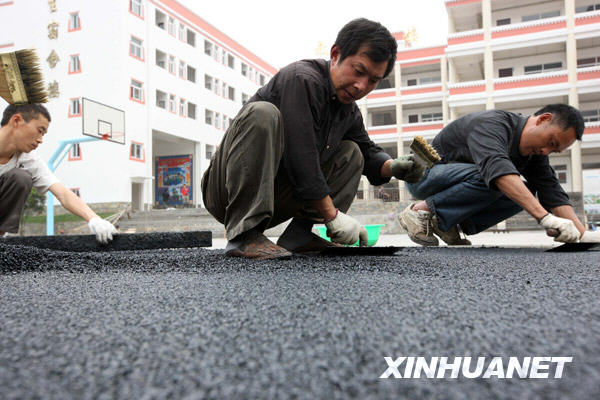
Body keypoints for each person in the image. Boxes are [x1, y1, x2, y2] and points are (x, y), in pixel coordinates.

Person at [202, 18, 424, 259]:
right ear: (336, 54)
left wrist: (393, 167)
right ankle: (243, 235)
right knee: (262, 114)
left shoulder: (348, 109)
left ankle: (300, 235)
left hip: (276, 196)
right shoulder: (302, 79)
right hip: (226, 192)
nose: (361, 86)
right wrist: (333, 216)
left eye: (373, 80)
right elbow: (301, 157)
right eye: (358, 71)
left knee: (352, 153)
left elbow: (367, 152)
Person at [399, 104, 600, 246]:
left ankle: (447, 223)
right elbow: (496, 169)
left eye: (554, 151)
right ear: (543, 119)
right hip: (424, 176)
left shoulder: (535, 154)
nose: (546, 151)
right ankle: (418, 210)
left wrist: (582, 234)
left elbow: (552, 192)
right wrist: (545, 218)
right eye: (551, 142)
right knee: (498, 177)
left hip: (459, 181)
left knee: (525, 191)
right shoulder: (493, 124)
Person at [0, 104, 118, 243]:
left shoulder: (29, 160)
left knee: (21, 178)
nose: (40, 140)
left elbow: (63, 193)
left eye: (43, 134)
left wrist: (94, 219)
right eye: (39, 131)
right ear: (16, 120)